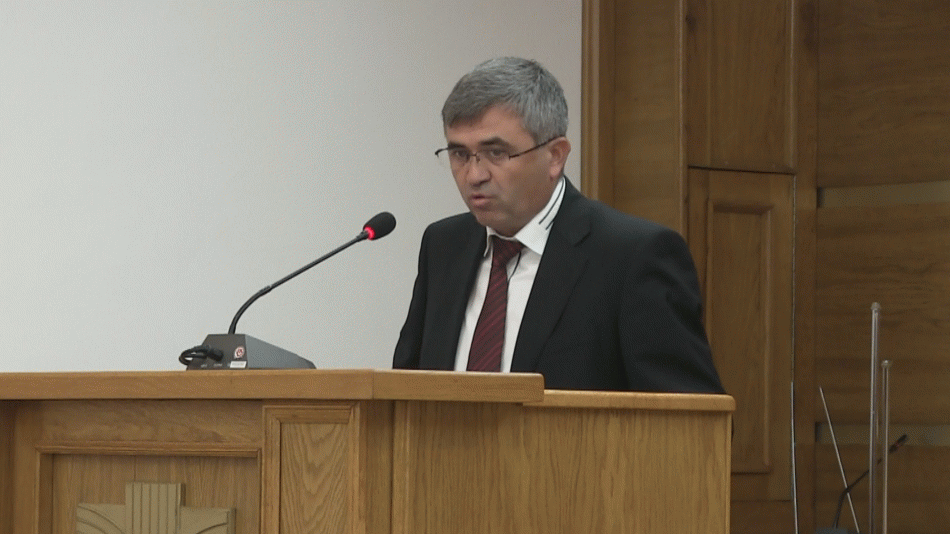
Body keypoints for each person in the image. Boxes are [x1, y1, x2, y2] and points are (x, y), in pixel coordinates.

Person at [393, 57, 723, 393]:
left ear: (555, 156)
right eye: (460, 154)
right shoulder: (443, 246)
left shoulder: (631, 256)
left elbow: (690, 414)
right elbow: (405, 390)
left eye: (496, 153)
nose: (474, 175)